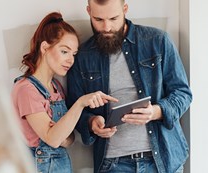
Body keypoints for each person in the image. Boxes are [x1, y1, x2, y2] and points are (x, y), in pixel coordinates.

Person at [65, 0, 192, 173]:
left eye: (113, 18)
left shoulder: (157, 41)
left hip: (162, 161)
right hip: (113, 165)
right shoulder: (82, 56)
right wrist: (92, 122)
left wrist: (155, 112)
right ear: (88, 11)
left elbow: (183, 93)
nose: (107, 27)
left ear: (125, 9)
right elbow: (74, 109)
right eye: (98, 19)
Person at [11, 12, 118, 173]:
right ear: (45, 47)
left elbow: (70, 139)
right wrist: (81, 103)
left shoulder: (56, 88)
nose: (71, 60)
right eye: (64, 51)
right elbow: (54, 139)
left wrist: (58, 134)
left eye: (73, 54)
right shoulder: (26, 89)